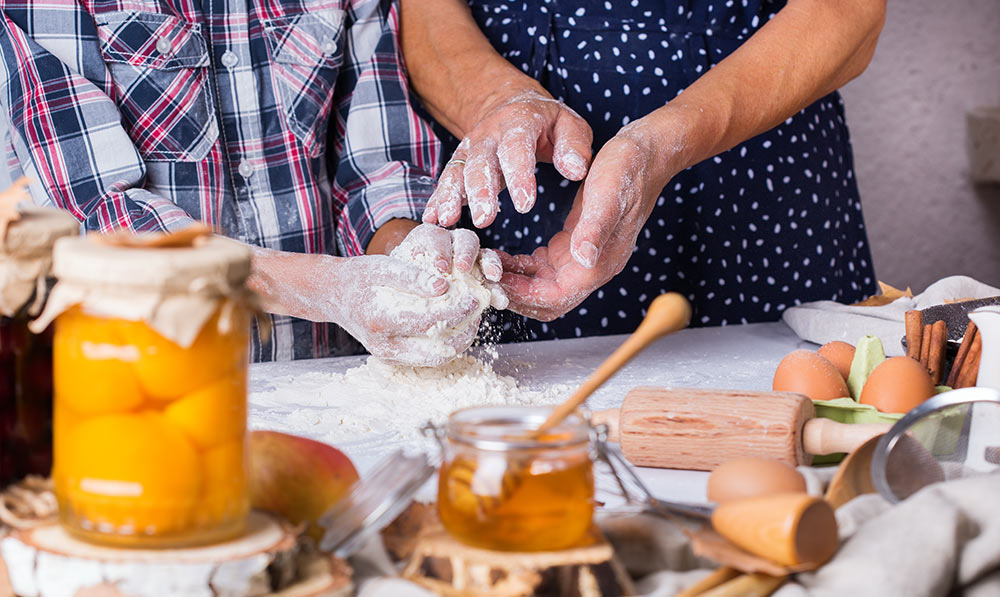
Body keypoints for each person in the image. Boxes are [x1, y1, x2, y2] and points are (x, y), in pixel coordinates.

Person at [0, 0, 500, 364]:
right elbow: (102, 217)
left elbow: (375, 170)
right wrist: (330, 289)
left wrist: (414, 262)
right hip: (155, 389)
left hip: (337, 380)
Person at [402, 0, 885, 341]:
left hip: (758, 158)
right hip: (521, 162)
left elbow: (848, 10)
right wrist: (498, 100)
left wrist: (660, 145)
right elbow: (425, 9)